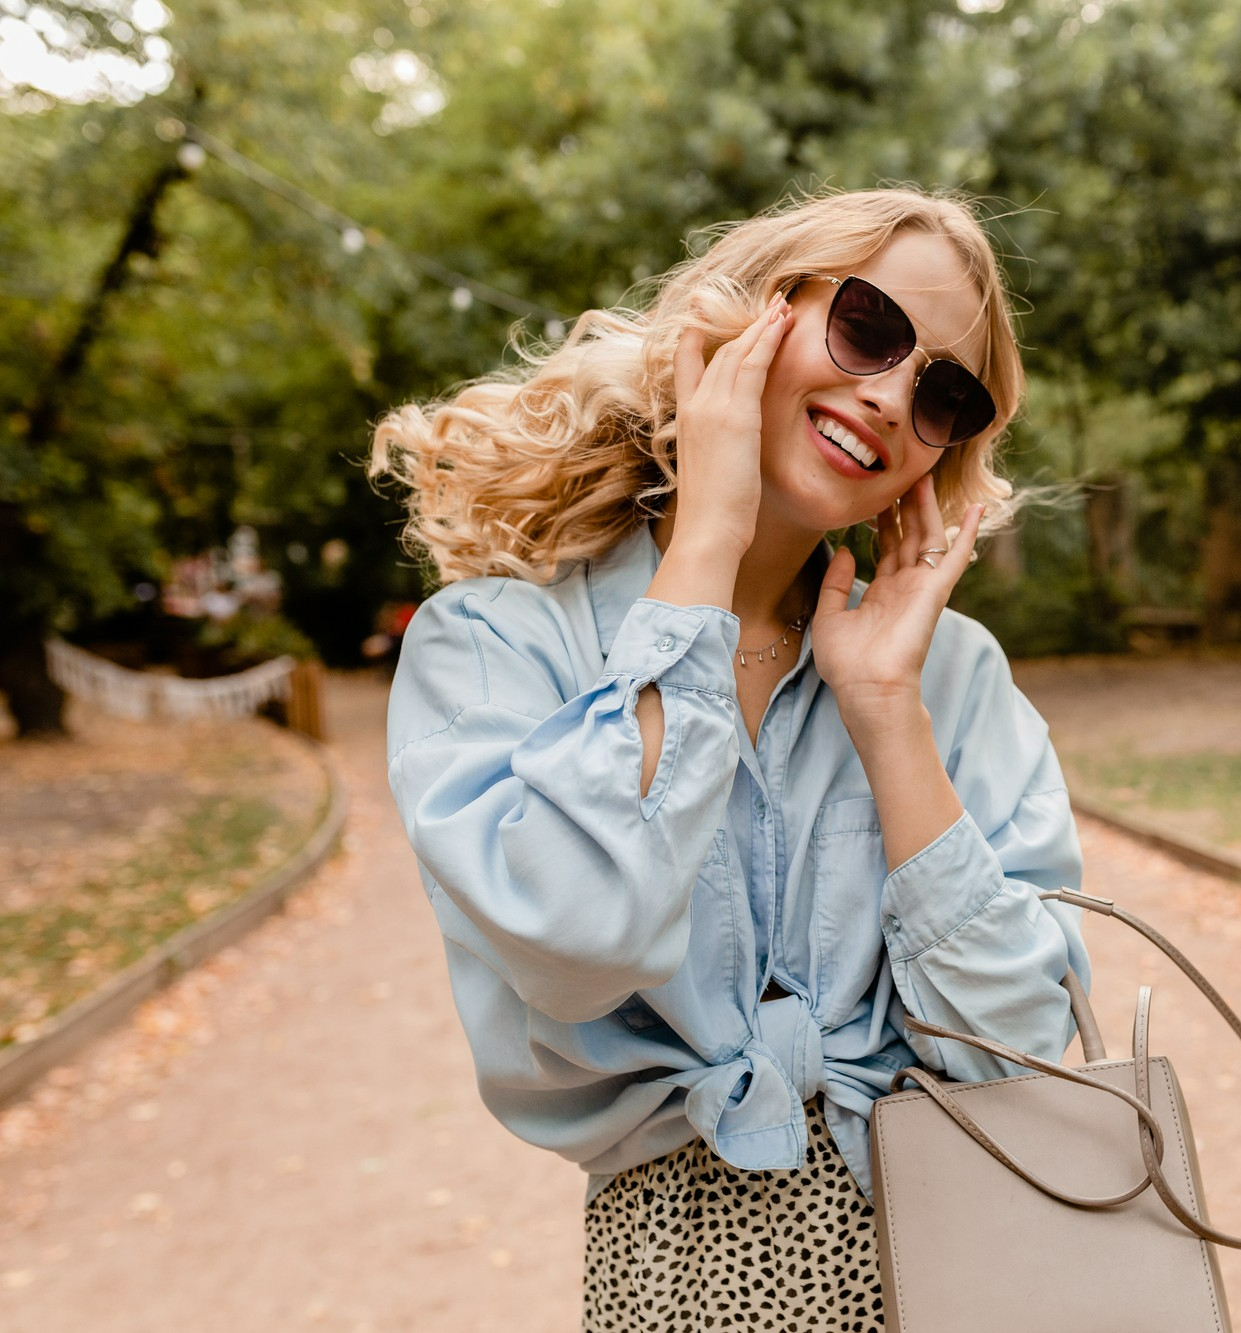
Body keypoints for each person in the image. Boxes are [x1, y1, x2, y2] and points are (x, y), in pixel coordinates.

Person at [370, 188, 1090, 1331]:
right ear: (759, 314)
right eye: (868, 326)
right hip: (672, 1280)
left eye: (945, 393)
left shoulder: (950, 677)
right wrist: (702, 545)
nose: (893, 395)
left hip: (953, 1264)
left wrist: (885, 708)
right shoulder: (499, 644)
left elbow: (1019, 1043)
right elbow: (580, 938)